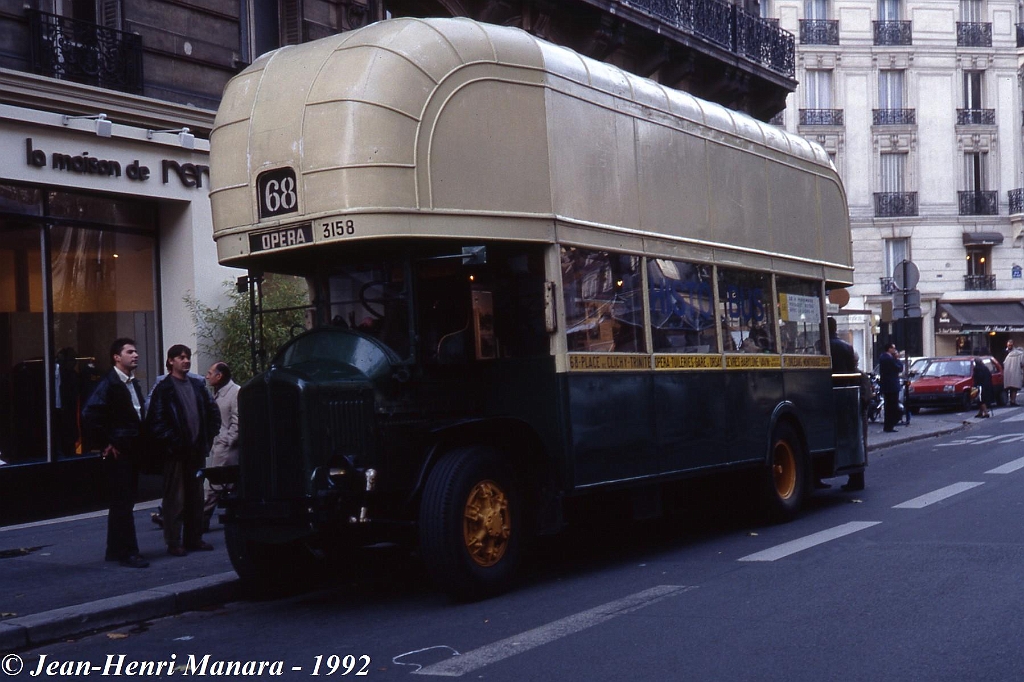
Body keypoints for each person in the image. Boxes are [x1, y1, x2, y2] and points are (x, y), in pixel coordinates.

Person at [81, 338, 149, 568]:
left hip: (131, 448)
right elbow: (89, 413)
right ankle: (129, 552)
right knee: (123, 502)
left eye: (136, 351)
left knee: (123, 502)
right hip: (120, 450)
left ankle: (114, 549)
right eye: (130, 352)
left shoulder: (131, 382)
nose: (135, 355)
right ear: (117, 357)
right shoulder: (109, 383)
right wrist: (106, 443)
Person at [147, 345, 220, 556]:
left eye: (187, 357)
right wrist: (174, 443)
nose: (186, 360)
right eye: (181, 357)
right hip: (176, 453)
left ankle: (194, 538)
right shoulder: (164, 389)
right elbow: (156, 422)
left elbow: (212, 412)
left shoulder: (197, 385)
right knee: (175, 499)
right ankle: (174, 541)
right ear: (170, 361)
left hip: (196, 450)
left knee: (196, 497)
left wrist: (207, 438)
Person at [203, 361, 239, 531]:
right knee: (219, 483)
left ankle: (201, 518)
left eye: (210, 373)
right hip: (218, 444)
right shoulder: (217, 392)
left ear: (219, 376)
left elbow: (237, 420)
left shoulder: (235, 392)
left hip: (226, 446)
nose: (207, 376)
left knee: (214, 484)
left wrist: (228, 441)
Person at [878, 343, 904, 433]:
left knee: (888, 405)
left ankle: (888, 425)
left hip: (886, 385)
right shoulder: (889, 358)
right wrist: (897, 359)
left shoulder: (883, 357)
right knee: (892, 406)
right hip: (892, 385)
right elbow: (899, 368)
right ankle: (890, 425)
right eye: (893, 348)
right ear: (889, 349)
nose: (895, 350)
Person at [1003, 340, 1024, 406]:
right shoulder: (1020, 354)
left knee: (1012, 388)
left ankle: (1012, 400)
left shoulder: (1006, 353)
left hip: (1008, 373)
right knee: (1014, 388)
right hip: (1016, 373)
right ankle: (1012, 400)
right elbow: (1022, 364)